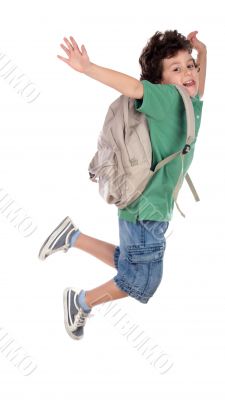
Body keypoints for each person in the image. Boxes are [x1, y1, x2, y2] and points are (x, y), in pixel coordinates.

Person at [38, 29, 207, 341]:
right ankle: (81, 302)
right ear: (160, 81)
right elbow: (133, 87)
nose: (188, 72)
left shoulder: (188, 101)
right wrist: (88, 68)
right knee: (141, 282)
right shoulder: (167, 99)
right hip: (147, 208)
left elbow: (198, 85)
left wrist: (203, 53)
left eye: (190, 65)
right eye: (176, 68)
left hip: (146, 205)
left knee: (132, 264)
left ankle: (71, 236)